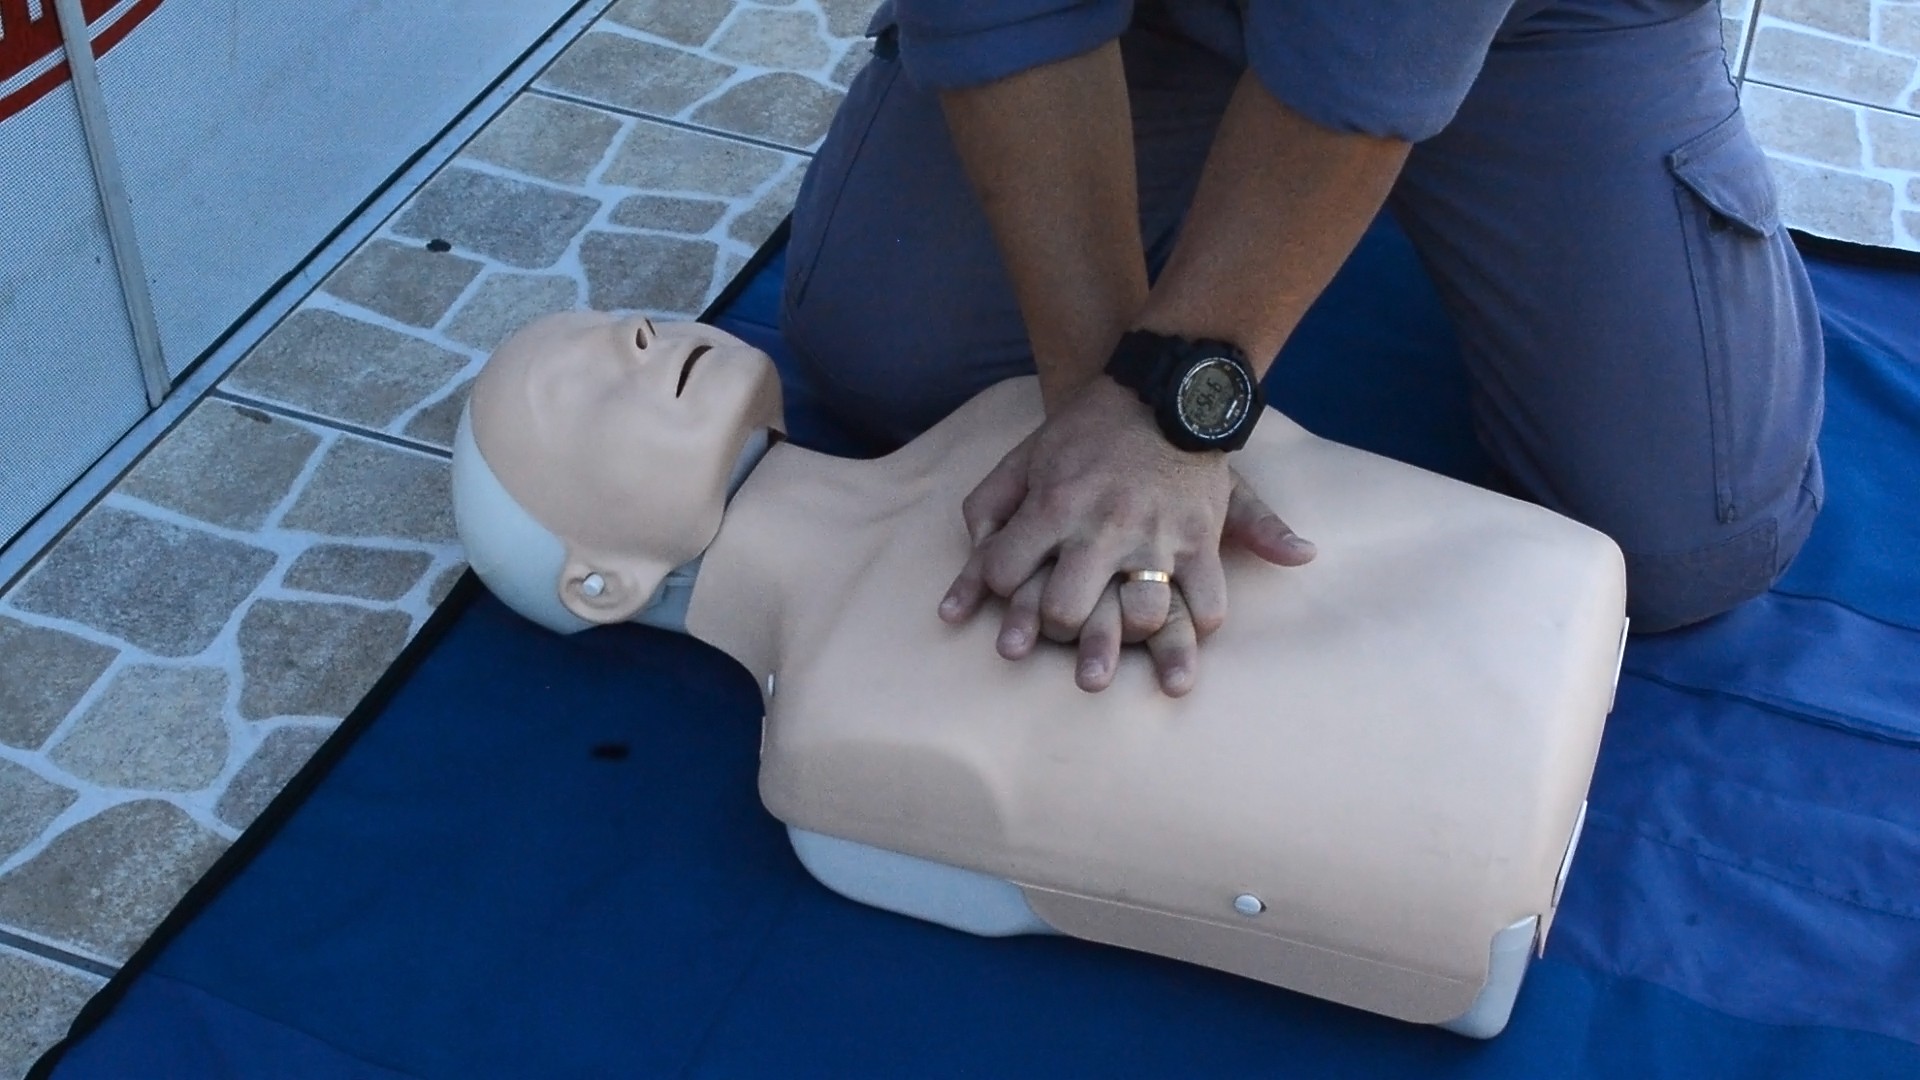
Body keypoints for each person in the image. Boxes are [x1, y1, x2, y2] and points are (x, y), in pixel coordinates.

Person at [451, 312, 1625, 1034]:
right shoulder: (839, 740)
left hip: (1523, 603)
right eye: (580, 386)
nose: (635, 338)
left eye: (617, 322)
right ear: (597, 582)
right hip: (1462, 833)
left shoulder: (1014, 414)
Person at [781, 0, 1825, 691]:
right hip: (1155, 17)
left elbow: (1384, 39)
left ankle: (1376, 174)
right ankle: (1270, 164)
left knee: (1687, 539)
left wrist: (1172, 408)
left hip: (1540, 27)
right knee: (891, 361)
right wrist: (1101, 396)